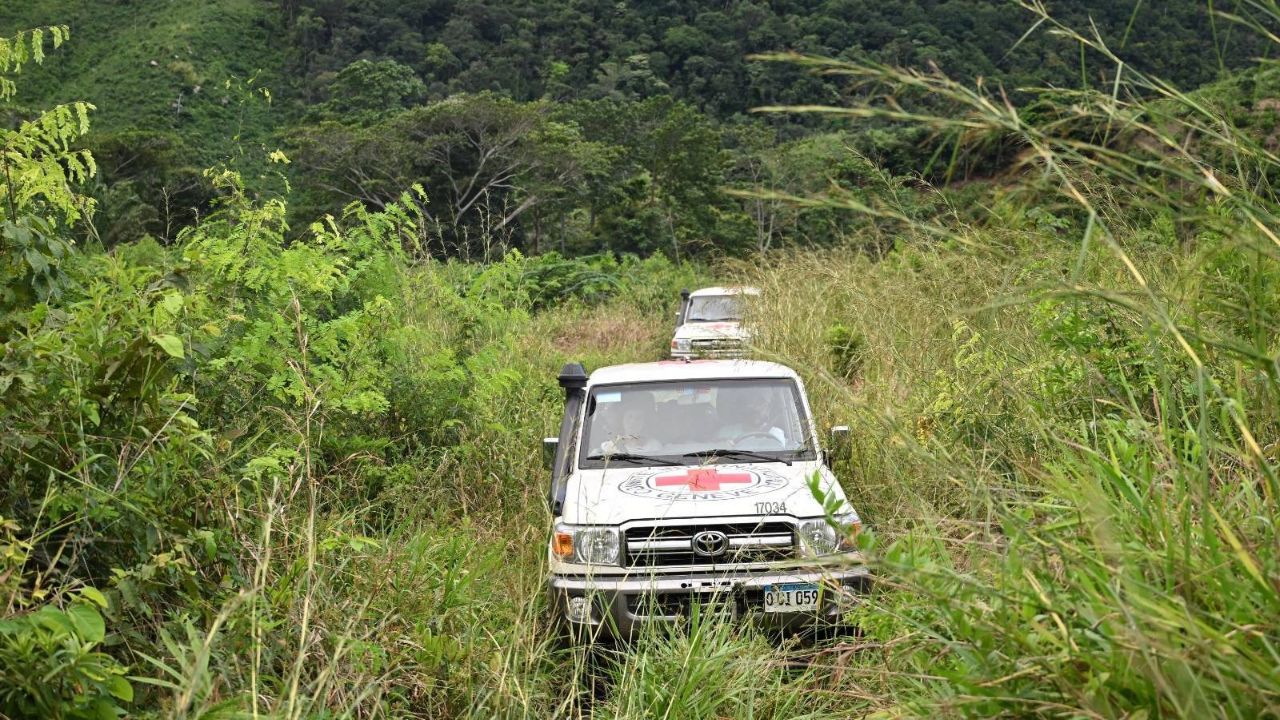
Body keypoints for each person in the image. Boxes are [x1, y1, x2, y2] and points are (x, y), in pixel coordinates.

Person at [714, 389, 786, 449]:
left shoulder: (777, 434)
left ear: (768, 408)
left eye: (760, 403)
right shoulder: (726, 432)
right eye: (751, 402)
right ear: (743, 406)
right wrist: (724, 448)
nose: (755, 408)